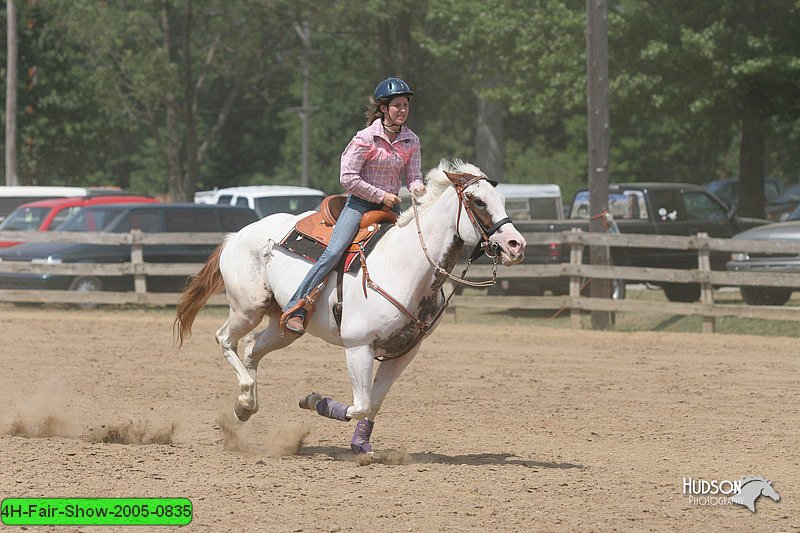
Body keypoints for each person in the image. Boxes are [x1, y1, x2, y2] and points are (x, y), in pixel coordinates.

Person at [283, 76, 426, 334]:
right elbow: (347, 177)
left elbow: (414, 176)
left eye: (405, 105)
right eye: (397, 105)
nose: (403, 110)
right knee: (334, 251)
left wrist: (420, 190)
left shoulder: (411, 140)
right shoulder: (365, 138)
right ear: (383, 108)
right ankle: (298, 306)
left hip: (390, 207)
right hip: (360, 204)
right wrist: (381, 196)